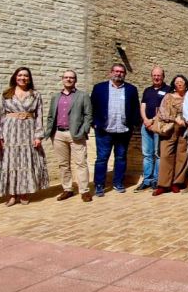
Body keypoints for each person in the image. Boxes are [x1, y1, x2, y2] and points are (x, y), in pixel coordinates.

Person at [0, 67, 49, 206]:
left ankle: (24, 192)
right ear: (15, 77)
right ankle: (12, 194)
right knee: (10, 161)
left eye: (25, 76)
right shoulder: (7, 93)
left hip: (28, 131)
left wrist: (38, 135)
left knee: (26, 161)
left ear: (29, 79)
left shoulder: (35, 94)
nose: (22, 78)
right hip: (10, 131)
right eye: (20, 75)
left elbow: (39, 117)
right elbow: (0, 114)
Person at [90, 63, 141, 197]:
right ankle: (99, 185)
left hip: (123, 131)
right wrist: (94, 123)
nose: (118, 74)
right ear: (110, 72)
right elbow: (92, 107)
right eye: (116, 71)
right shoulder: (99, 88)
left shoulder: (131, 89)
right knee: (102, 158)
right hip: (104, 130)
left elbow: (135, 108)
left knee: (121, 158)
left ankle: (118, 182)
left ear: (125, 74)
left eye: (121, 72)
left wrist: (134, 125)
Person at [44, 70, 93, 202]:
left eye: (71, 78)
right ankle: (67, 189)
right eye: (66, 77)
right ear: (62, 79)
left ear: (75, 80)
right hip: (58, 134)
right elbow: (50, 115)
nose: (69, 80)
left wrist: (84, 130)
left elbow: (88, 115)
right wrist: (50, 131)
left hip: (76, 134)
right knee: (63, 164)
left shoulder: (82, 96)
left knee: (81, 163)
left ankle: (84, 191)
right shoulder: (55, 97)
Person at [136, 67, 171, 192]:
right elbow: (143, 105)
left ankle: (156, 180)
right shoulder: (147, 90)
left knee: (157, 154)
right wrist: (145, 119)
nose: (157, 77)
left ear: (163, 76)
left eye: (159, 75)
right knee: (147, 155)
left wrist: (152, 120)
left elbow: (165, 108)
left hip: (158, 125)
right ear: (152, 76)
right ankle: (146, 180)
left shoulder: (168, 90)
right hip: (146, 126)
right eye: (154, 75)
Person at [153, 75, 188, 196]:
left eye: (181, 82)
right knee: (166, 156)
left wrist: (185, 121)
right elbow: (162, 112)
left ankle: (177, 183)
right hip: (169, 129)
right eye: (177, 82)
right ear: (174, 84)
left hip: (184, 130)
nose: (179, 84)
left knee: (181, 156)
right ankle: (163, 185)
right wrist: (175, 119)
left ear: (185, 84)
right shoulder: (168, 97)